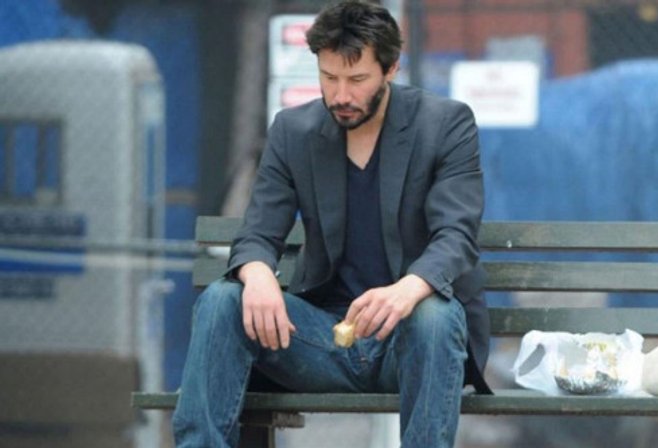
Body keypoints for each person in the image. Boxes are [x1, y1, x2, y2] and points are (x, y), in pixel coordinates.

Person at [172, 1, 491, 446]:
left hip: (412, 342)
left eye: (357, 79)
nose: (341, 95)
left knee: (434, 315)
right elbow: (259, 231)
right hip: (321, 339)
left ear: (391, 68)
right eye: (329, 77)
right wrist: (257, 273)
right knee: (223, 299)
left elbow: (456, 235)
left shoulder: (445, 125)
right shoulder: (293, 131)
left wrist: (407, 290)